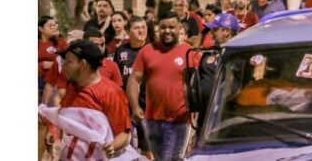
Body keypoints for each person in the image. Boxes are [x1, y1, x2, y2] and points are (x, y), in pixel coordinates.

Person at [127, 12, 200, 161]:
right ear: (158, 28)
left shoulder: (189, 52)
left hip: (179, 119)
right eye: (163, 27)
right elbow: (134, 80)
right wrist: (135, 107)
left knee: (170, 158)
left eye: (172, 27)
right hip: (152, 119)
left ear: (180, 28)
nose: (167, 31)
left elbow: (197, 83)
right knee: (160, 158)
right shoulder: (147, 51)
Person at [42, 39, 131, 160]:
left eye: (68, 61)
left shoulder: (111, 93)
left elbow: (124, 133)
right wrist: (54, 132)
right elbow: (67, 120)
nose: (63, 65)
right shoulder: (72, 87)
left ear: (83, 64)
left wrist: (112, 146)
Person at [43, 28, 124, 107]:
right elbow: (59, 96)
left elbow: (118, 95)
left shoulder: (112, 66)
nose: (99, 48)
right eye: (95, 45)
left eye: (102, 44)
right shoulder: (71, 67)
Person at [113, 16, 153, 159]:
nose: (141, 31)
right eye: (137, 28)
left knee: (148, 147)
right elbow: (116, 78)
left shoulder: (153, 49)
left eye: (143, 27)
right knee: (125, 148)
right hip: (125, 106)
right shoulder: (121, 51)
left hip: (147, 106)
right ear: (128, 32)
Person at [193, 14, 241, 130]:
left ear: (226, 31)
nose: (211, 33)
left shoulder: (239, 55)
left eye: (215, 30)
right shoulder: (209, 53)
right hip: (205, 116)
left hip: (228, 117)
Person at [38, 16, 67, 102]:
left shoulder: (61, 42)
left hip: (56, 81)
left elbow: (68, 59)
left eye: (55, 25)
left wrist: (54, 64)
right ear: (41, 28)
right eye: (50, 25)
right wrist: (41, 65)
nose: (54, 27)